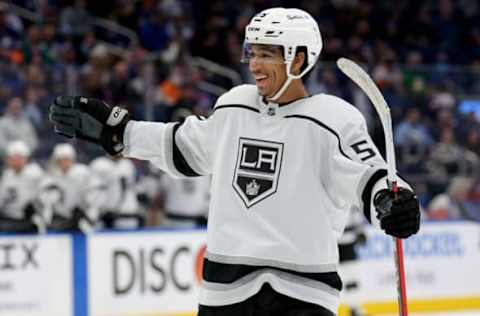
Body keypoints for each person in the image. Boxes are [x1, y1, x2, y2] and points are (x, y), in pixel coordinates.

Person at [49, 7, 420, 316]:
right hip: (224, 291)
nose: (255, 64)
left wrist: (393, 203)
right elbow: (182, 146)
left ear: (300, 58)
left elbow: (371, 179)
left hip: (303, 293)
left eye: (268, 54)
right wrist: (119, 131)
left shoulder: (333, 119)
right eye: (253, 52)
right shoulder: (234, 104)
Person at [37, 143, 93, 232]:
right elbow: (46, 203)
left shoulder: (83, 174)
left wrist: (87, 214)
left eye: (67, 159)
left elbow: (91, 196)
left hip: (80, 216)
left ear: (72, 159)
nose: (64, 162)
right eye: (61, 160)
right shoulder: (50, 177)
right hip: (59, 217)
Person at [0, 141, 44, 233]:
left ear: (26, 159)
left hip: (28, 218)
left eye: (18, 158)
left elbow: (43, 199)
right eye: (12, 158)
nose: (15, 161)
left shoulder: (35, 174)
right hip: (8, 217)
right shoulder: (6, 176)